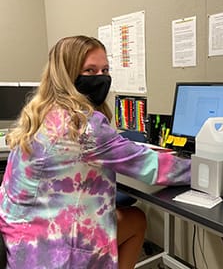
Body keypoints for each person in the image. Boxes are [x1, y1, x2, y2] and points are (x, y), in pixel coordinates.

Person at [0, 35, 191, 269]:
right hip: (53, 253)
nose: (101, 78)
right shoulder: (83, 126)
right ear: (67, 74)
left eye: (105, 70)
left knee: (130, 217)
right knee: (136, 219)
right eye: (90, 71)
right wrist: (208, 171)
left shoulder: (39, 112)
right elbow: (154, 167)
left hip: (20, 241)